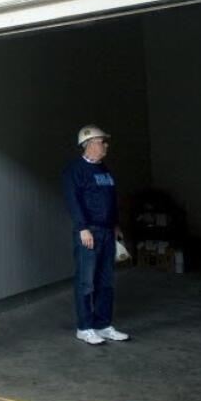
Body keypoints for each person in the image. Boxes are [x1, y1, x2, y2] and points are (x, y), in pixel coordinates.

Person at [62, 125, 128, 345]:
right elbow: (74, 201)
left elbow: (111, 199)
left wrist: (115, 225)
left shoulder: (104, 170)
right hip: (89, 232)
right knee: (86, 282)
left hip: (108, 231)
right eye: (102, 141)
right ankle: (85, 327)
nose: (106, 145)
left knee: (106, 281)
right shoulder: (75, 170)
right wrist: (82, 228)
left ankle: (103, 324)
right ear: (89, 144)